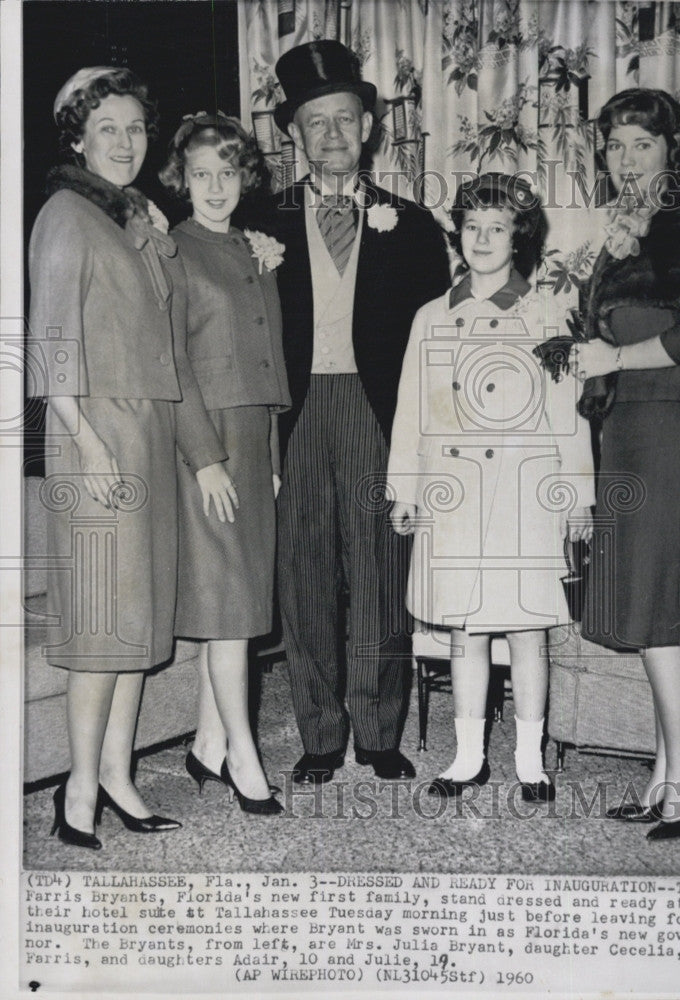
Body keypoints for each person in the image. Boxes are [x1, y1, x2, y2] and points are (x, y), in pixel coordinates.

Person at [28, 67, 234, 849]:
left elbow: (171, 348)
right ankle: (77, 793)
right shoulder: (65, 215)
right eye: (106, 128)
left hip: (144, 437)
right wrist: (89, 448)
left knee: (133, 629)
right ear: (78, 136)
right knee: (100, 633)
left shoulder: (132, 222)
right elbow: (47, 350)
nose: (124, 142)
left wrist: (199, 454)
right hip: (95, 442)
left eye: (135, 128)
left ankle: (118, 777)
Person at [268, 40, 451, 784]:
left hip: (378, 412)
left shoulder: (412, 225)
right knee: (303, 573)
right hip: (298, 411)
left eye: (345, 119)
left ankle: (378, 731)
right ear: (293, 136)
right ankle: (318, 732)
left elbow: (436, 345)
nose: (333, 136)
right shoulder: (258, 224)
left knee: (380, 569)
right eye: (316, 123)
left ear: (369, 127)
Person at [387, 173, 594, 799]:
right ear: (458, 234)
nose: (482, 239)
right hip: (454, 495)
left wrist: (578, 494)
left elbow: (569, 411)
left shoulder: (546, 313)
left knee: (529, 630)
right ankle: (467, 757)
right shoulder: (431, 315)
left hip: (524, 496)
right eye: (471, 227)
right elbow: (410, 410)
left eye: (496, 228)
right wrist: (405, 488)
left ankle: (529, 760)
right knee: (464, 630)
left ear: (518, 237)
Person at [570, 89, 680, 840]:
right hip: (627, 432)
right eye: (614, 146)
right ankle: (665, 777)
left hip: (673, 430)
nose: (626, 158)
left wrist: (613, 354)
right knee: (645, 611)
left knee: (663, 613)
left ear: (672, 148)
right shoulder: (623, 233)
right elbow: (597, 333)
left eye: (641, 143)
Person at [159, 112, 291, 815]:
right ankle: (245, 756)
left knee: (236, 605)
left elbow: (267, 364)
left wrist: (268, 457)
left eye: (227, 172)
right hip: (203, 448)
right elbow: (172, 364)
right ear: (183, 179)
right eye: (201, 174)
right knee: (231, 611)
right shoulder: (172, 251)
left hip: (252, 444)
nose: (215, 186)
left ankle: (208, 745)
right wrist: (206, 458)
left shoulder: (255, 248)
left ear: (244, 176)